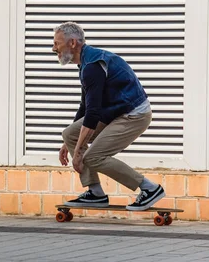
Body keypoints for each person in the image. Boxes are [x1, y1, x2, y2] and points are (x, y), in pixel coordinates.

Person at [52, 22, 165, 211]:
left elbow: (93, 113)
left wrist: (78, 153)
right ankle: (95, 193)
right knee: (70, 133)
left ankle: (149, 188)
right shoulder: (86, 62)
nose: (53, 48)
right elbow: (85, 106)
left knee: (93, 156)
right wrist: (70, 142)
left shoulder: (93, 67)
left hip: (133, 114)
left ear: (72, 43)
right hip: (114, 112)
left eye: (57, 43)